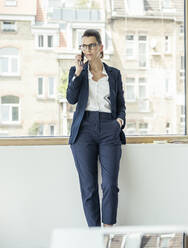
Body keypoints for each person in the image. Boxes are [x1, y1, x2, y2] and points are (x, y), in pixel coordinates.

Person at [66, 29, 126, 227]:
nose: (88, 49)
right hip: (84, 130)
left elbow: (121, 104)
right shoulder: (78, 73)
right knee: (89, 187)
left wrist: (119, 122)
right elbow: (71, 99)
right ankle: (94, 235)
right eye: (84, 46)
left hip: (109, 128)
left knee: (109, 185)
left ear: (101, 47)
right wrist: (78, 72)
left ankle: (108, 233)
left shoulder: (114, 74)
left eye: (91, 45)